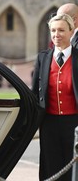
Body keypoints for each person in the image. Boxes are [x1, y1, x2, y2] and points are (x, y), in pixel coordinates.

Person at [32, 13, 78, 180]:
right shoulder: (43, 58)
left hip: (74, 123)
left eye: (61, 30)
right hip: (49, 123)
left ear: (71, 32)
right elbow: (35, 94)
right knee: (51, 166)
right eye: (53, 30)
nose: (56, 34)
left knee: (73, 166)